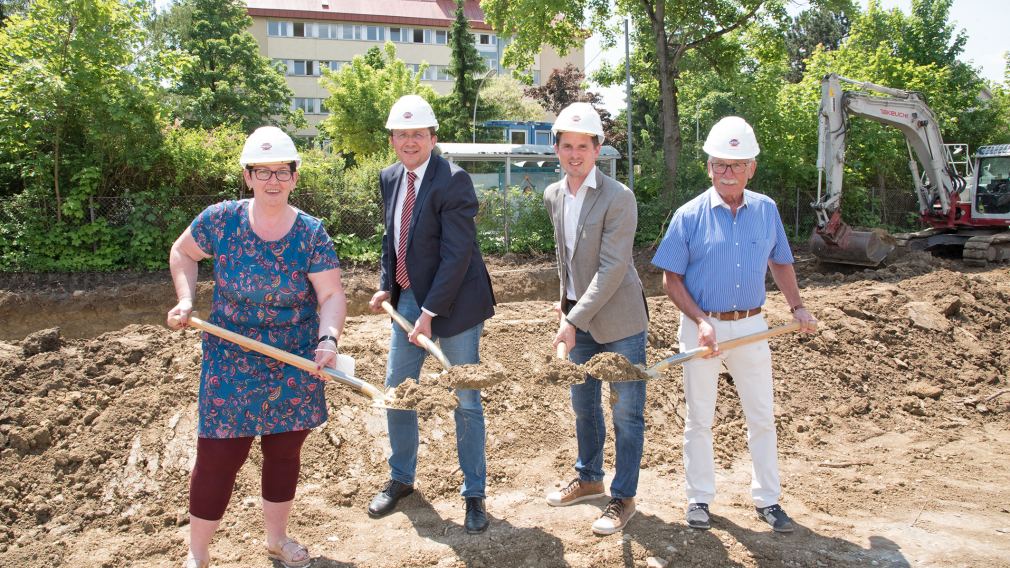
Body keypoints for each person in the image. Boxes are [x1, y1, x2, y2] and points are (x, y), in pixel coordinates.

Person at [166, 126, 346, 568]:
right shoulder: (220, 219)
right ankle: (198, 553)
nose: (272, 180)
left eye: (281, 171)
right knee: (219, 456)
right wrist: (186, 299)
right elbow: (182, 252)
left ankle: (277, 540)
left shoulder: (311, 233)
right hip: (231, 358)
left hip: (293, 359)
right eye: (261, 171)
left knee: (284, 453)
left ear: (295, 177)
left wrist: (328, 339)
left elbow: (331, 295)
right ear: (247, 176)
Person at [651, 116, 817, 534]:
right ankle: (700, 499)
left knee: (761, 415)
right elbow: (670, 279)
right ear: (708, 166)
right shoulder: (688, 216)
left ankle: (768, 500)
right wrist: (701, 321)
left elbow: (780, 261)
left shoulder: (766, 211)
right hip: (700, 328)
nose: (728, 173)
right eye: (720, 165)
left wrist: (797, 307)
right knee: (699, 418)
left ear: (751, 169)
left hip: (752, 328)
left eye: (737, 165)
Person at [366, 94, 496, 534]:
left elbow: (456, 255)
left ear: (432, 137)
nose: (409, 142)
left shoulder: (453, 181)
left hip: (455, 302)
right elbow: (393, 237)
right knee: (397, 390)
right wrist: (387, 283)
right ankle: (401, 478)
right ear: (392, 139)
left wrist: (429, 312)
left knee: (465, 397)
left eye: (417, 134)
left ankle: (474, 494)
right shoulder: (390, 178)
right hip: (409, 297)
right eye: (401, 134)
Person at [542, 102, 650, 535]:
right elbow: (564, 259)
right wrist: (563, 304)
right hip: (579, 319)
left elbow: (613, 268)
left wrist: (574, 318)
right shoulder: (554, 194)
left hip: (620, 321)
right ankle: (589, 479)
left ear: (598, 148)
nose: (574, 154)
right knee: (583, 406)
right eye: (566, 146)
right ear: (557, 149)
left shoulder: (618, 197)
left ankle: (623, 497)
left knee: (626, 412)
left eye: (582, 146)